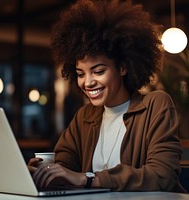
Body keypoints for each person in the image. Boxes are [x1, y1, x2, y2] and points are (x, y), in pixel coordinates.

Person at [28, 0, 185, 192]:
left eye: (98, 71)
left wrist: (87, 179)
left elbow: (162, 175)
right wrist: (44, 172)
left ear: (123, 67)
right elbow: (65, 166)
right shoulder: (85, 116)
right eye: (80, 74)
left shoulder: (155, 105)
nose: (87, 82)